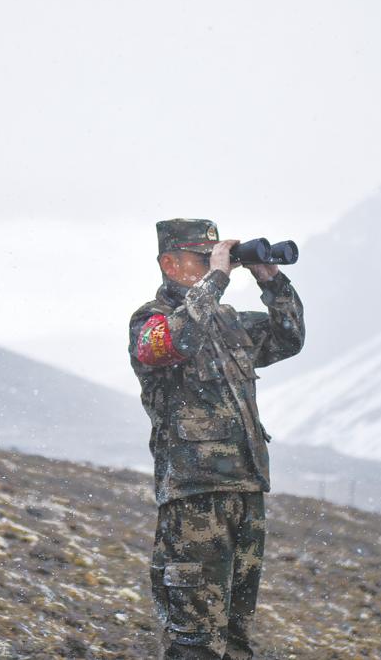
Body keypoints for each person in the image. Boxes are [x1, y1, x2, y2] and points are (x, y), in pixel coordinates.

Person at [128, 219, 304, 659]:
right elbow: (178, 340)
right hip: (194, 497)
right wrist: (218, 280)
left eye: (215, 257)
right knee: (195, 638)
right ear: (170, 263)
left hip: (246, 490)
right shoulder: (151, 321)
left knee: (235, 636)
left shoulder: (229, 323)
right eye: (202, 258)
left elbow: (289, 338)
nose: (212, 265)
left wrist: (271, 280)